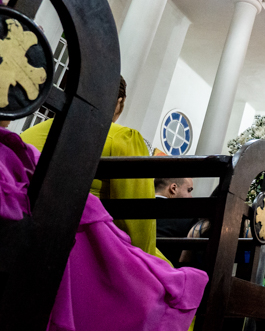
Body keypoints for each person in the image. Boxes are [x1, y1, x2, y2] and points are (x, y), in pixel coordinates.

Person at [1, 125, 208, 331]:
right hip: (77, 241)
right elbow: (140, 229)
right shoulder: (123, 136)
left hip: (24, 224)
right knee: (167, 292)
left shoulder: (36, 131)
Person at [19, 76, 164, 259]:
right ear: (119, 102)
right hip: (83, 252)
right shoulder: (122, 138)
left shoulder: (28, 135)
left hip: (21, 243)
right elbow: (138, 226)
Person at [155, 177, 195, 266]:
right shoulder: (185, 218)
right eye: (189, 190)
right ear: (173, 188)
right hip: (165, 271)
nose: (191, 196)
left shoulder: (133, 208)